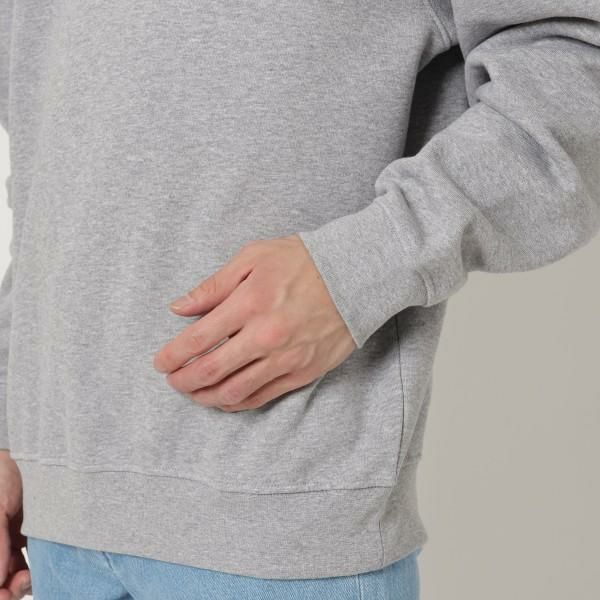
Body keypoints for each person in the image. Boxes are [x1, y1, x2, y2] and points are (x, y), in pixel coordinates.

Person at [1, 1, 599, 598]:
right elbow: (46, 155)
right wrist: (8, 425)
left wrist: (361, 266)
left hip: (279, 522)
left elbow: (578, 64)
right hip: (58, 515)